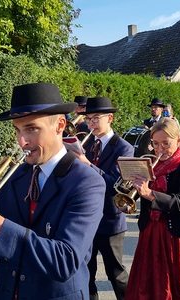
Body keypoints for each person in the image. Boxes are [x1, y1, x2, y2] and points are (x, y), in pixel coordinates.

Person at [0, 82, 106, 299]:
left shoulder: (88, 182)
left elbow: (64, 262)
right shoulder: (18, 174)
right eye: (18, 130)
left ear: (60, 125)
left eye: (31, 129)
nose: (22, 141)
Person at [124, 118, 180, 300]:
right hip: (150, 233)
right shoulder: (148, 162)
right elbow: (139, 196)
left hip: (178, 237)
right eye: (155, 144)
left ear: (178, 141)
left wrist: (150, 194)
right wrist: (131, 189)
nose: (160, 149)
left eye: (166, 143)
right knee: (147, 287)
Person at [75, 97, 134, 300]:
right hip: (86, 218)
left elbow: (115, 185)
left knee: (115, 272)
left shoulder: (124, 148)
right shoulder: (86, 143)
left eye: (95, 118)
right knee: (86, 271)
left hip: (110, 218)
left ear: (110, 118)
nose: (91, 124)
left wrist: (86, 164)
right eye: (88, 119)